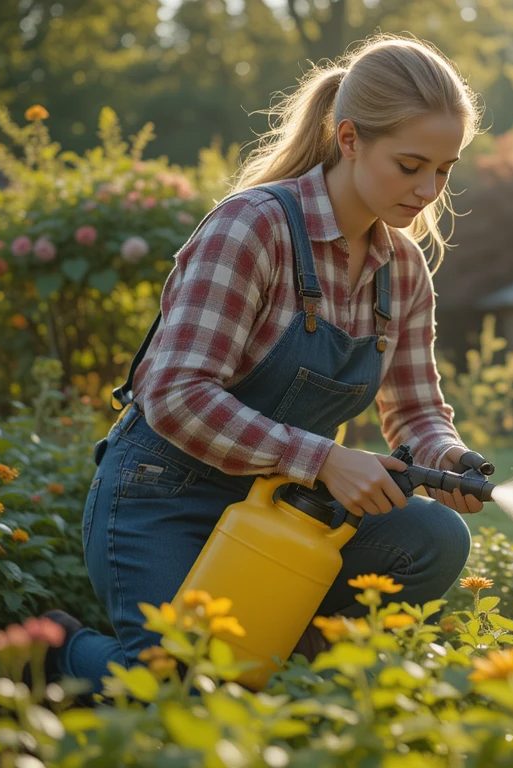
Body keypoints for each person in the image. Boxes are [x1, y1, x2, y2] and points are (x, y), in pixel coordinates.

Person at [42, 36, 484, 693]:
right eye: (411, 164)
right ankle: (59, 656)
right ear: (350, 139)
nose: (428, 190)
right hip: (165, 494)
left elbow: (416, 410)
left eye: (444, 170)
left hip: (282, 509)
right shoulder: (253, 228)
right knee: (185, 694)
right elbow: (173, 393)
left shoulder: (403, 270)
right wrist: (325, 460)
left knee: (434, 538)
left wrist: (446, 459)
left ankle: (281, 672)